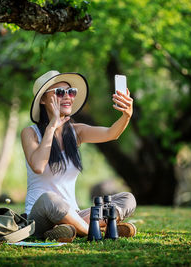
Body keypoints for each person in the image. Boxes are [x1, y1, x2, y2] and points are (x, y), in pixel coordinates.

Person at [21, 70, 137, 242]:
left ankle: (68, 230)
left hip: (72, 213)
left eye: (71, 91)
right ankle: (96, 230)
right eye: (60, 92)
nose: (68, 96)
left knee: (127, 199)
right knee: (50, 199)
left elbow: (112, 133)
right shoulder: (30, 133)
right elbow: (38, 166)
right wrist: (52, 127)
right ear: (44, 100)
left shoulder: (76, 132)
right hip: (40, 214)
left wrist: (127, 115)